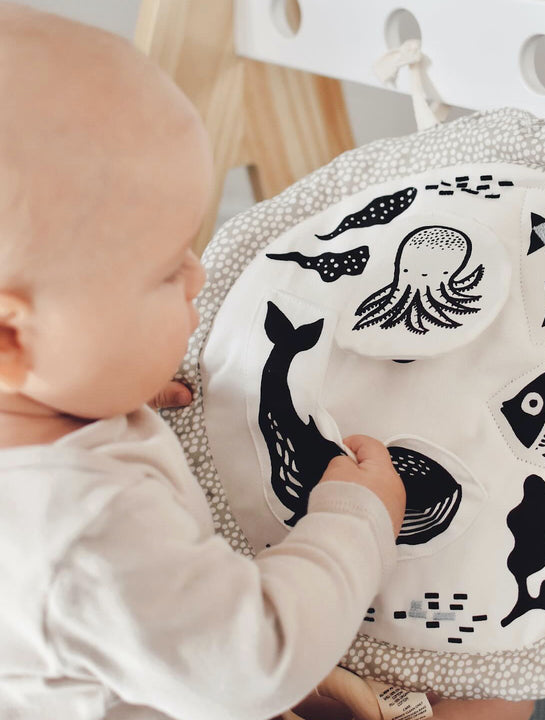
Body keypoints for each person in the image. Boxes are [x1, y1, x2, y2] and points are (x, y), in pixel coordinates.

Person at [0, 4, 405, 719]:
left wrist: (110, 385)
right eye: (163, 271)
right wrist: (354, 519)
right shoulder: (89, 527)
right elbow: (257, 662)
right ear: (11, 338)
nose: (199, 275)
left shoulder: (38, 408)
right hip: (217, 682)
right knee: (491, 707)